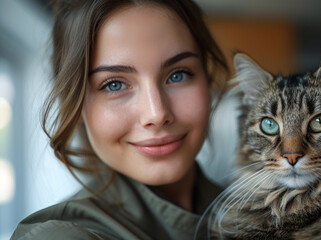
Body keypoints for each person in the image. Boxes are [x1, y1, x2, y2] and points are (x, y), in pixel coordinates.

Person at [11, 0, 229, 239]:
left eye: (178, 75)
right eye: (114, 84)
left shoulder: (258, 209)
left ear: (207, 81)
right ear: (75, 103)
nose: (156, 114)